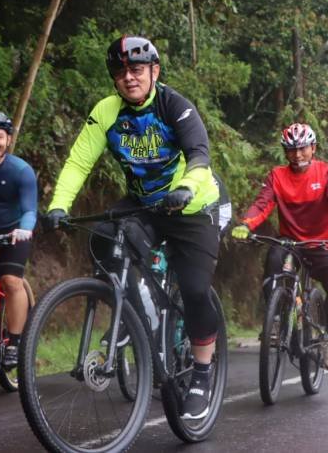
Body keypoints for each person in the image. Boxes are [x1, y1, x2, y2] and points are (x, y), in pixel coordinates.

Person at [43, 36, 222, 419]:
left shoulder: (175, 106)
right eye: (120, 71)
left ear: (154, 71)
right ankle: (132, 316)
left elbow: (199, 154)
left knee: (194, 288)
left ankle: (203, 373)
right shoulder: (107, 111)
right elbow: (78, 163)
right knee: (104, 239)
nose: (128, 77)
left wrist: (187, 187)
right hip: (144, 203)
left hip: (192, 206)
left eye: (136, 69)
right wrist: (59, 204)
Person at [231, 122, 328, 371]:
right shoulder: (277, 176)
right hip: (291, 241)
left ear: (313, 148)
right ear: (285, 153)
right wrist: (246, 225)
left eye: (303, 148)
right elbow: (262, 204)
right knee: (274, 260)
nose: (298, 155)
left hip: (323, 242)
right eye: (291, 150)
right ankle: (279, 315)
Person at [0, 111, 37, 369]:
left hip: (14, 232)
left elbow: (30, 209)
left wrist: (25, 229)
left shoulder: (21, 170)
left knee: (10, 281)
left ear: (8, 140)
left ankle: (14, 343)